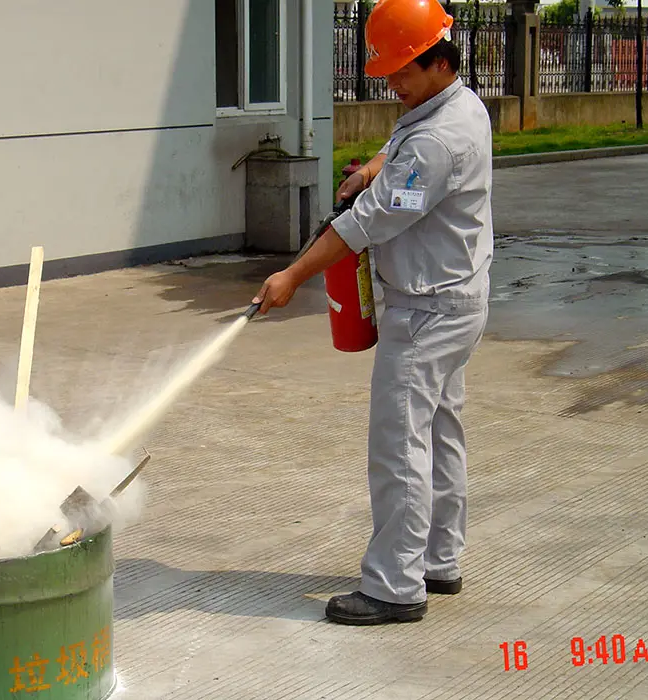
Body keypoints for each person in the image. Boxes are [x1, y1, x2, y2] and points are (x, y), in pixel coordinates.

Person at [252, 0, 493, 626]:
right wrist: (376, 168)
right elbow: (402, 143)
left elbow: (364, 225)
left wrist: (291, 275)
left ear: (438, 62)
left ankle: (394, 586)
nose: (392, 84)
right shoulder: (460, 106)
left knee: (399, 445)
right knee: (439, 433)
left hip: (426, 313)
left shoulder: (436, 141)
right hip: (457, 301)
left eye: (401, 72)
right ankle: (438, 560)